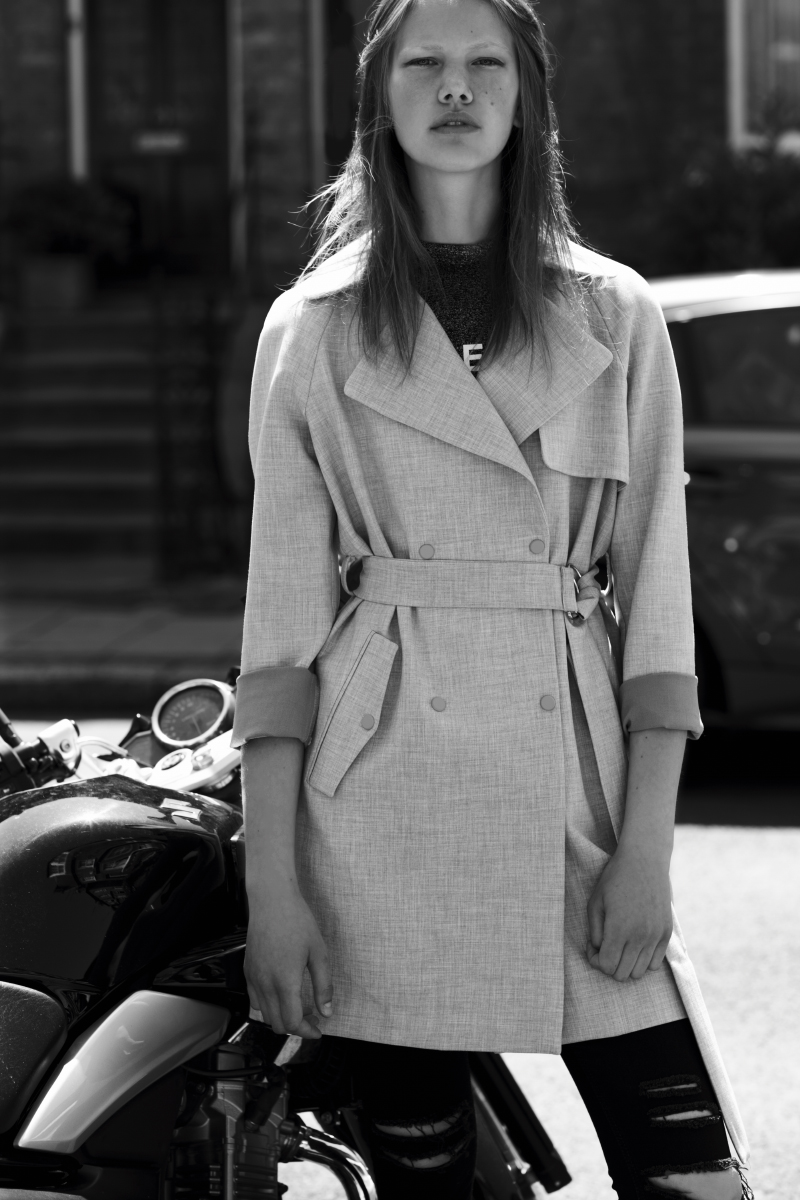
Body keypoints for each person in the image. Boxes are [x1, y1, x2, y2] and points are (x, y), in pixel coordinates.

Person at [234, 2, 753, 1197]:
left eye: (485, 64)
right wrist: (276, 893)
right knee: (429, 1182)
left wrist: (646, 853)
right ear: (379, 101)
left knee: (690, 1174)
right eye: (423, 64)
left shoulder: (612, 311)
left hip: (574, 787)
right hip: (372, 816)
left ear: (527, 99)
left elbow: (657, 609)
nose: (455, 88)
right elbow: (278, 639)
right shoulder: (312, 328)